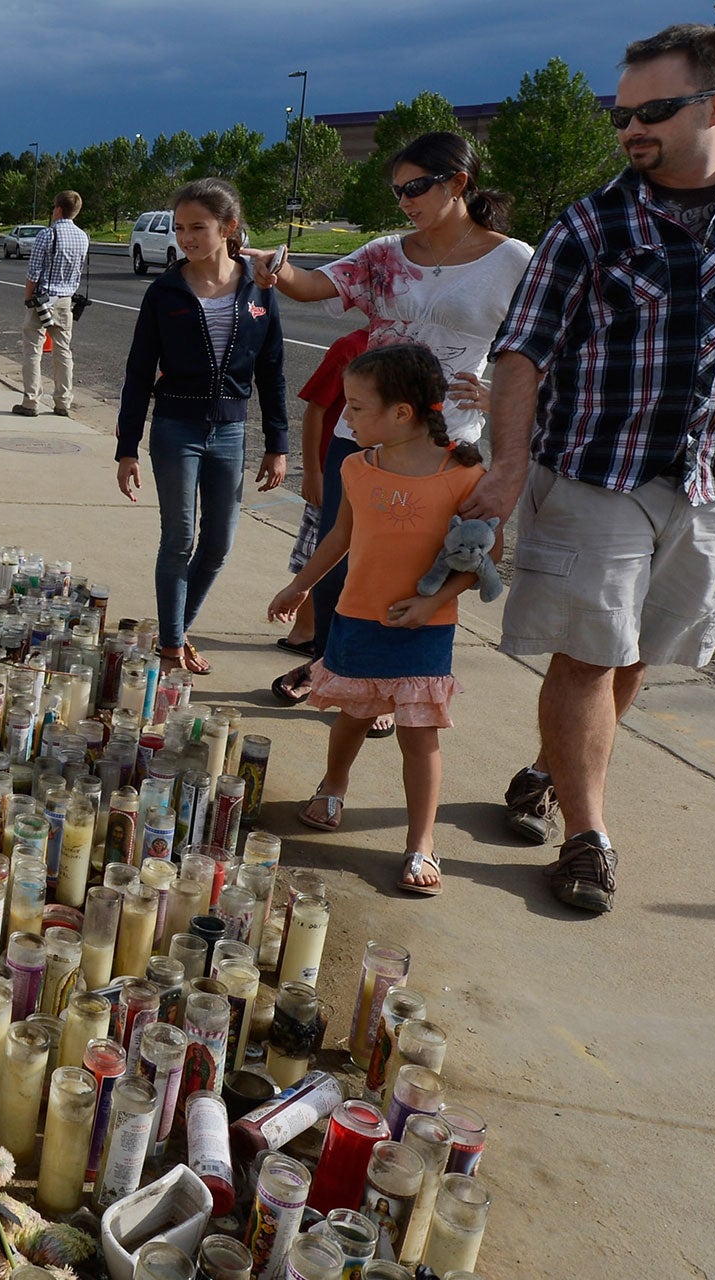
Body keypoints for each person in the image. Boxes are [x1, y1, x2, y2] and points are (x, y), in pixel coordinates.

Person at [462, 22, 715, 914]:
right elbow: (521, 351)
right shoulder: (592, 220)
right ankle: (588, 839)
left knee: (639, 651)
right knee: (587, 653)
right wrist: (506, 470)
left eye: (651, 112)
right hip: (597, 472)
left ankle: (551, 767)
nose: (629, 132)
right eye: (621, 115)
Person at [253, 132, 532, 707]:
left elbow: (548, 348)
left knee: (416, 564)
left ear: (459, 183)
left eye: (416, 188)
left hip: (444, 441)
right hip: (364, 435)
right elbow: (312, 285)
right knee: (342, 554)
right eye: (398, 190)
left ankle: (394, 687)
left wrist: (496, 393)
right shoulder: (385, 252)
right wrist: (275, 271)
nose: (404, 200)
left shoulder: (514, 261)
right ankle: (329, 664)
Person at [268, 344, 488, 895]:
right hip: (358, 618)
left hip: (424, 629)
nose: (348, 417)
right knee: (353, 716)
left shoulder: (462, 474)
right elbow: (339, 536)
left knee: (420, 736)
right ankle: (333, 785)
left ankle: (421, 843)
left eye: (359, 407)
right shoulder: (356, 467)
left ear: (403, 412)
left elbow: (483, 558)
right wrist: (300, 585)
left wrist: (431, 604)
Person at [115, 178, 290, 674]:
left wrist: (277, 443)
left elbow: (272, 370)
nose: (186, 237)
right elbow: (137, 372)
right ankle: (171, 648)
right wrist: (127, 447)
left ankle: (176, 629)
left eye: (198, 227)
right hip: (176, 428)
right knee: (179, 539)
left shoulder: (259, 288)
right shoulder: (164, 290)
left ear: (228, 228)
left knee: (218, 545)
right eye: (179, 227)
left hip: (231, 432)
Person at [281, 326, 373, 653]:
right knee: (321, 552)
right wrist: (312, 472)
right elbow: (315, 408)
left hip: (364, 472)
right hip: (333, 471)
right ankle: (304, 631)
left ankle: (309, 630)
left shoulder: (406, 349)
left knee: (339, 554)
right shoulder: (351, 346)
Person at [15, 190, 89, 417]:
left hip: (43, 300)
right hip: (66, 301)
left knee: (33, 350)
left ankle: (31, 401)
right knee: (63, 351)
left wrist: (28, 298)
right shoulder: (82, 237)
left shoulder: (47, 235)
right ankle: (63, 401)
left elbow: (33, 272)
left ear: (58, 209)